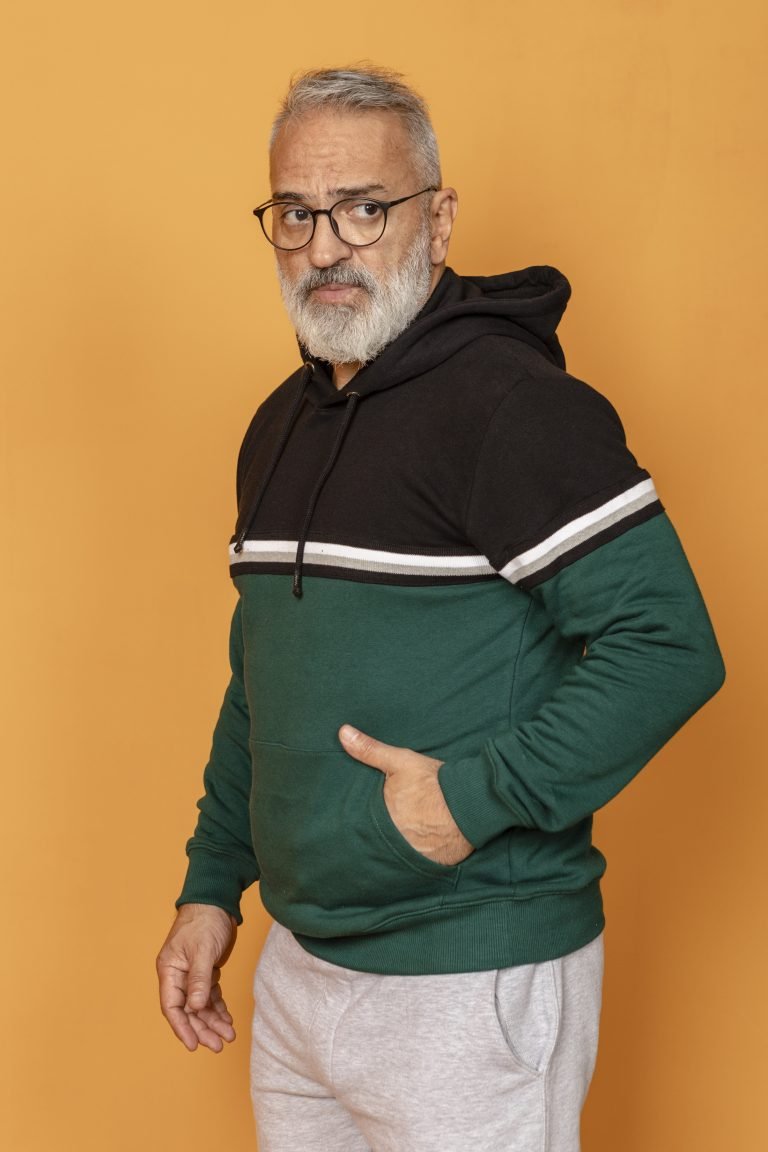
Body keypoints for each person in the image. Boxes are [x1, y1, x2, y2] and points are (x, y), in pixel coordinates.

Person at [156, 66, 724, 1151]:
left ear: (439, 217)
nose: (325, 247)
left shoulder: (516, 409)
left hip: (470, 976)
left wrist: (466, 803)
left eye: (364, 208)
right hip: (300, 970)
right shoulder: (279, 426)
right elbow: (260, 678)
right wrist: (212, 887)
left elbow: (669, 646)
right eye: (295, 213)